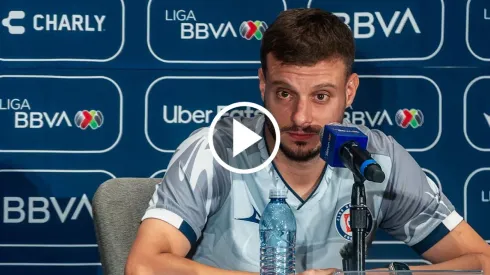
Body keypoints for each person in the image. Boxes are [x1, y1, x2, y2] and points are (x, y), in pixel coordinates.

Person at [125, 8, 490, 275]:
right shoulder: (221, 147)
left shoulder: (375, 159)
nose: (301, 118)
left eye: (320, 96)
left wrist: (386, 274)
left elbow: (481, 262)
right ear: (263, 85)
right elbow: (144, 266)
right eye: (285, 93)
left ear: (349, 91)